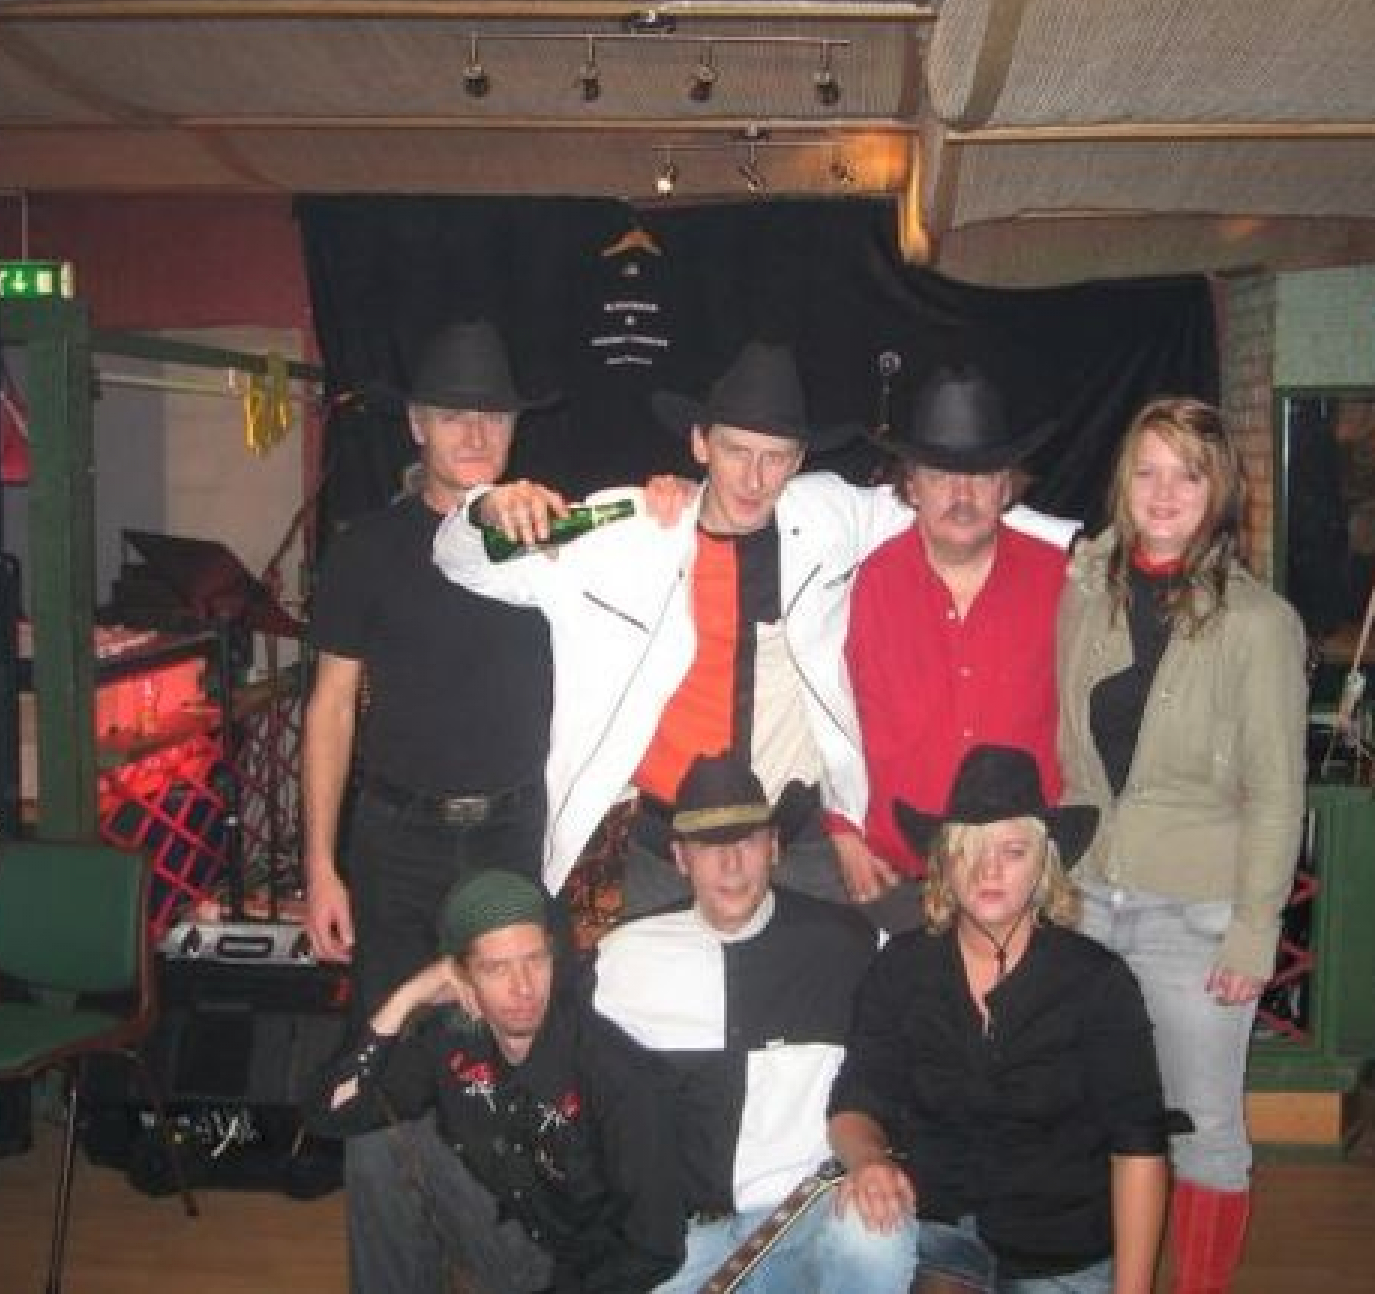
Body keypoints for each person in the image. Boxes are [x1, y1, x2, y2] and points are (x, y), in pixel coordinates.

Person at [433, 339, 1075, 918]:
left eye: (774, 458)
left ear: (798, 462)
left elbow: (955, 508)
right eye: (736, 451)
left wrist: (1088, 549)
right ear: (699, 444)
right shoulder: (625, 531)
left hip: (793, 841)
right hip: (666, 844)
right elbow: (461, 564)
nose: (753, 478)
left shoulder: (826, 518)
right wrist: (485, 509)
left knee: (818, 1001)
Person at [1055, 398, 1308, 1294]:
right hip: (1086, 900)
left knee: (1203, 1129)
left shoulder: (1260, 623)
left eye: (1187, 475)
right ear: (1123, 481)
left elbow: (1278, 794)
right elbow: (1070, 756)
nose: (1164, 493)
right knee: (1087, 1115)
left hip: (1197, 917)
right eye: (1148, 471)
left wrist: (1254, 933)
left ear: (1219, 490)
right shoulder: (1084, 593)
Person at [827, 743, 1170, 1294]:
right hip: (938, 1237)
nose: (989, 870)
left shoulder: (1097, 982)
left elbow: (1138, 1149)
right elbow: (855, 1101)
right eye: (970, 850)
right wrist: (868, 1160)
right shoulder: (902, 969)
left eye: (1012, 851)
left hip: (1060, 1250)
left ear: (1044, 864)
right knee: (857, 1235)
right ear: (945, 863)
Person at [303, 319, 555, 1022]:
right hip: (397, 835)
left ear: (514, 429)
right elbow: (330, 707)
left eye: (493, 416)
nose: (475, 434)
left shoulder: (552, 542)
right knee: (393, 1027)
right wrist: (319, 866)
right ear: (417, 425)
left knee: (512, 1030)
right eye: (453, 416)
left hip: (514, 830)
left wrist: (666, 494)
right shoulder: (366, 550)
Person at [591, 752, 917, 1293]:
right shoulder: (624, 958)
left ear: (775, 847)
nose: (731, 864)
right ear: (680, 858)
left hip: (812, 1213)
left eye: (746, 841)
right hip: (685, 1237)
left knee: (874, 1234)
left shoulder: (848, 944)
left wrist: (872, 1159)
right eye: (709, 847)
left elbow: (910, 1044)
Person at [303, 869, 686, 1293]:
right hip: (508, 1240)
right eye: (496, 968)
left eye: (534, 961)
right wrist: (406, 998)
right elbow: (330, 1115)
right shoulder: (452, 1042)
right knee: (375, 1140)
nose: (523, 988)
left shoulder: (613, 1071)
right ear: (463, 977)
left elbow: (654, 1249)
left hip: (584, 1272)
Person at [845, 365, 1078, 930]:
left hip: (1027, 884)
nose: (962, 494)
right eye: (942, 475)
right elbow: (826, 711)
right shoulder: (864, 585)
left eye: (981, 475)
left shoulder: (1064, 583)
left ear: (1005, 488)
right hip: (901, 882)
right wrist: (840, 829)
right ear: (911, 486)